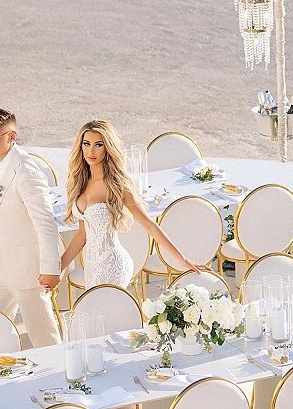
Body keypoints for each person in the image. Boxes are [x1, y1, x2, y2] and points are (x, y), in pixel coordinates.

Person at [62, 120, 208, 287]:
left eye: (98, 144)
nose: (91, 151)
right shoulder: (81, 182)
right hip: (92, 269)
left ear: (108, 148)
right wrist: (58, 268)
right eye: (86, 144)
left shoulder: (117, 185)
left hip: (113, 266)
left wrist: (183, 260)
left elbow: (149, 224)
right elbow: (82, 234)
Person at [0, 108, 62, 347]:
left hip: (26, 270)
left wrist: (51, 269)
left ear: (12, 136)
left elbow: (46, 225)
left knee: (44, 337)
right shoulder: (0, 163)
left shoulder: (27, 173)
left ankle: (60, 377)